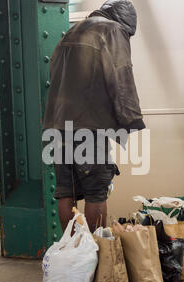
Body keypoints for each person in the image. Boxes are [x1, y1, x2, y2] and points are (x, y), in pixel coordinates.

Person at [43, 0, 145, 232]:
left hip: (56, 125)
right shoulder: (112, 29)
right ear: (123, 23)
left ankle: (72, 249)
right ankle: (95, 252)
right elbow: (121, 75)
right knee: (96, 189)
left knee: (65, 190)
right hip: (88, 126)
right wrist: (130, 119)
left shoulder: (72, 31)